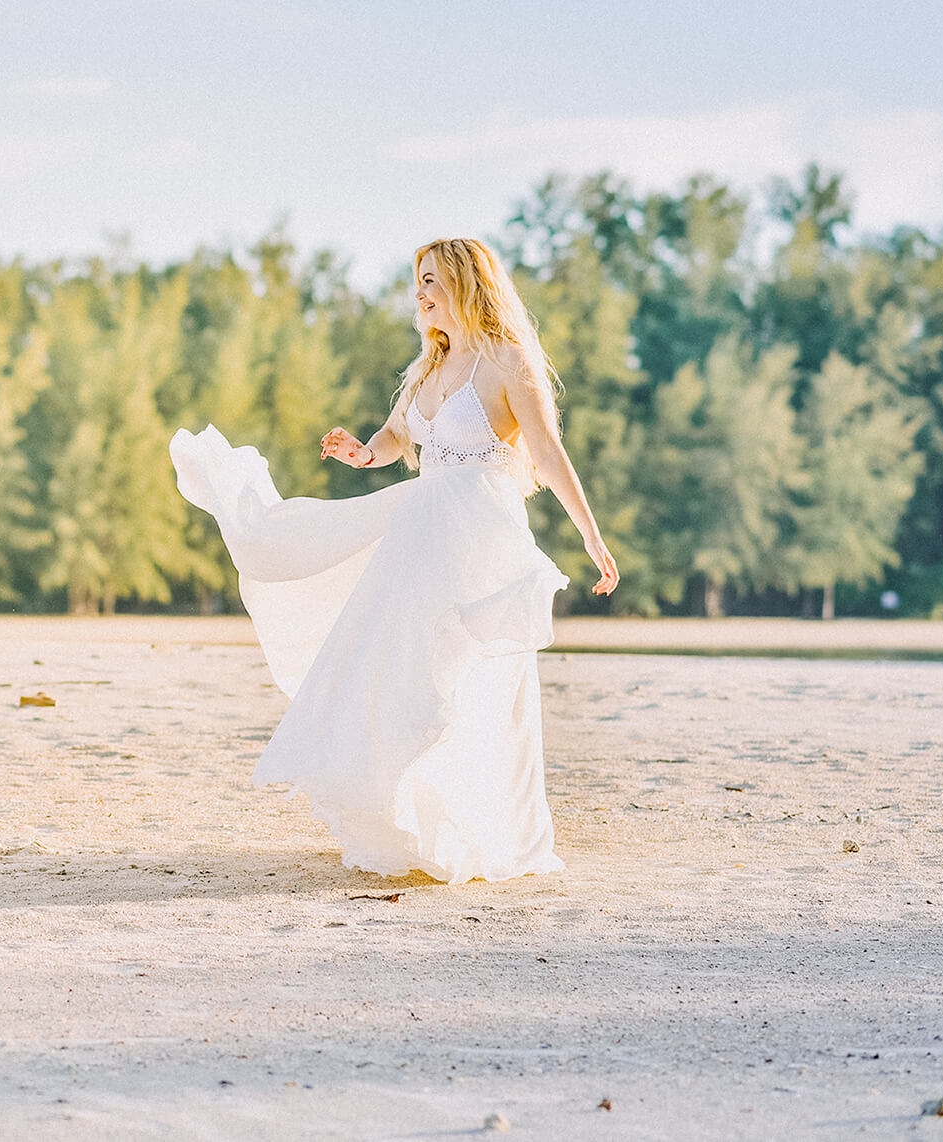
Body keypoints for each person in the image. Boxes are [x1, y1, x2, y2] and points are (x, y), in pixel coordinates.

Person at [170, 236, 617, 883]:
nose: (421, 293)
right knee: (403, 675)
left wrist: (592, 538)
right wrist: (361, 452)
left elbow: (547, 454)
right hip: (418, 536)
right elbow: (395, 438)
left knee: (465, 681)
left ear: (466, 282)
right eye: (418, 282)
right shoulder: (427, 369)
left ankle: (482, 832)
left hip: (478, 541)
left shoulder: (506, 362)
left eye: (432, 280)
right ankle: (410, 827)